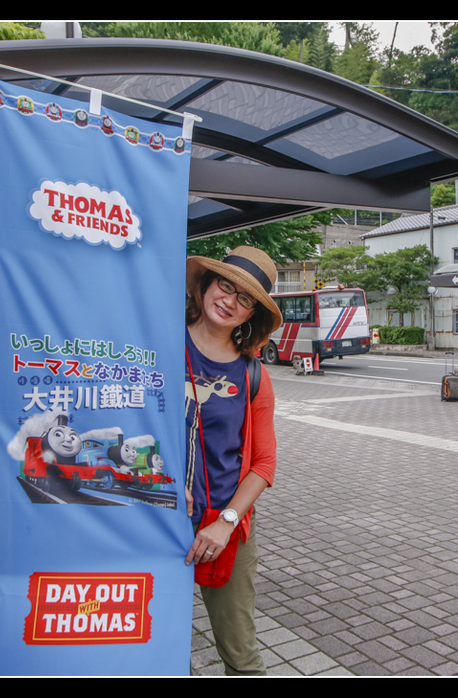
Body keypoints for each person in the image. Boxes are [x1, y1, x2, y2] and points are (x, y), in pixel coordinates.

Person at [184, 246, 281, 676]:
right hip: (152, 515)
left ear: (250, 316)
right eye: (225, 285)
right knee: (146, 636)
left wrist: (225, 522)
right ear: (205, 286)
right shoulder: (154, 346)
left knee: (241, 656)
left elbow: (264, 463)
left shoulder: (253, 375)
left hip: (226, 524)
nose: (230, 300)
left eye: (245, 299)